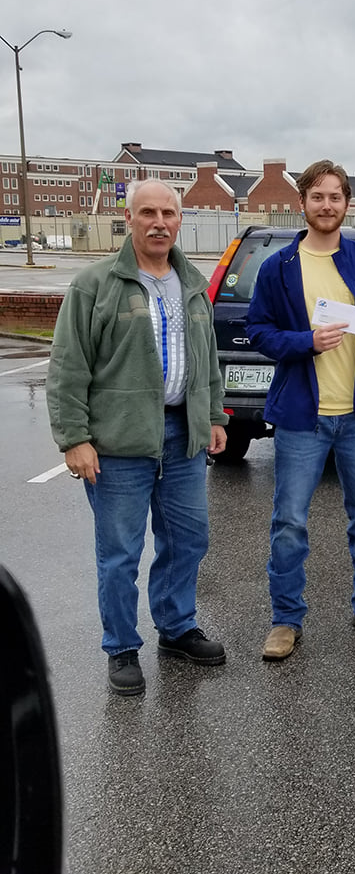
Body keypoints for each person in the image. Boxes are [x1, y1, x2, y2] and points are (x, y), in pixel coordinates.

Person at [47, 179, 229, 697]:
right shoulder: (95, 285)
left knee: (188, 540)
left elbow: (208, 361)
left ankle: (174, 628)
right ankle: (122, 647)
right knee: (121, 553)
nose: (159, 222)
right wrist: (74, 439)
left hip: (182, 439)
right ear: (128, 219)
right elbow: (67, 368)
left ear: (179, 220)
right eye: (147, 212)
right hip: (117, 445)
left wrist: (213, 416)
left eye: (168, 213)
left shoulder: (191, 284)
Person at [247, 159, 355, 660]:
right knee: (290, 522)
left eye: (335, 196)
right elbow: (259, 332)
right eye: (318, 196)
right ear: (303, 204)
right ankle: (286, 620)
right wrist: (305, 342)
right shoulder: (278, 267)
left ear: (347, 203)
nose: (327, 205)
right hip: (302, 418)